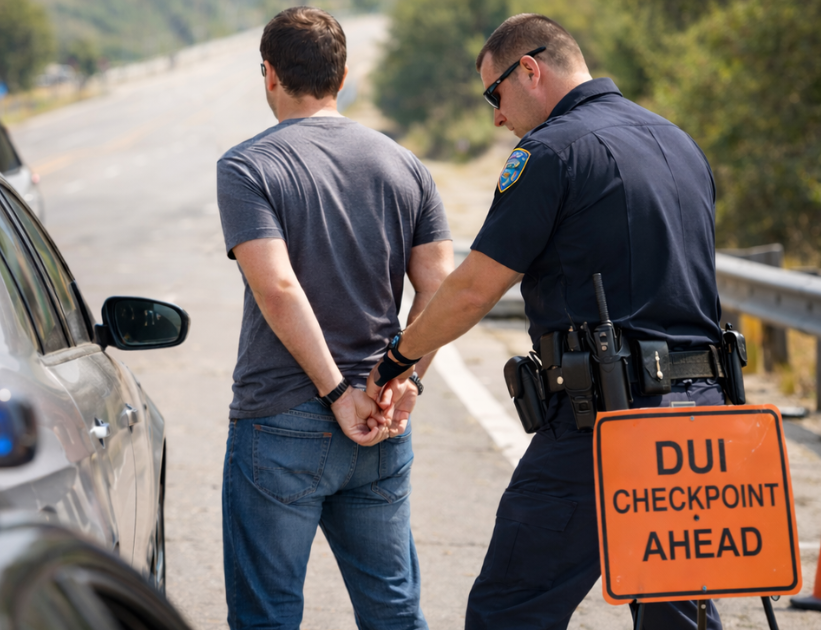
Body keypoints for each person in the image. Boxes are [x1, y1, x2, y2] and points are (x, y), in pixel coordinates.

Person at [366, 13, 726, 630]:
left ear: (529, 69)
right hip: (703, 419)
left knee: (511, 609)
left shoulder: (552, 151)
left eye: (495, 95)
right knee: (677, 614)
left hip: (606, 424)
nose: (497, 117)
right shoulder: (677, 140)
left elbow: (474, 289)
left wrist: (396, 362)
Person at [216, 7, 453, 629]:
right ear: (342, 74)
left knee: (266, 614)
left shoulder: (247, 167)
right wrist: (406, 382)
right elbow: (440, 291)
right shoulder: (406, 165)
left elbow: (277, 287)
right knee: (393, 611)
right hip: (381, 419)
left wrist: (335, 393)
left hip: (283, 419)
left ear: (268, 74)